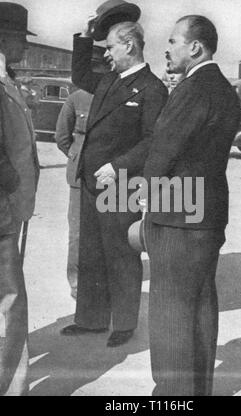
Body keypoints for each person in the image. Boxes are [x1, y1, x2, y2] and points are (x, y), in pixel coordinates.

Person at [142, 15, 241, 395]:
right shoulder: (223, 89)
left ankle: (171, 396)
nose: (167, 49)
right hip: (207, 216)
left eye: (172, 41)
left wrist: (141, 201)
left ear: (195, 47)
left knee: (170, 311)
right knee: (199, 306)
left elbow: (162, 152)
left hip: (177, 218)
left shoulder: (192, 88)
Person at [60, 16, 168, 348]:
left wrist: (118, 165)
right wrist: (88, 35)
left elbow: (153, 140)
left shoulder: (152, 88)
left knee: (121, 253)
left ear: (130, 45)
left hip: (122, 184)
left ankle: (123, 324)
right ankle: (90, 319)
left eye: (110, 47)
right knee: (91, 253)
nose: (106, 54)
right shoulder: (109, 81)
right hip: (92, 181)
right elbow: (79, 75)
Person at [0, 3, 39, 395]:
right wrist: (11, 187)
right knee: (11, 302)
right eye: (19, 39)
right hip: (2, 211)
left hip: (11, 208)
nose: (24, 48)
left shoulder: (6, 78)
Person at [55, 89, 93, 300]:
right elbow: (62, 137)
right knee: (78, 233)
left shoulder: (118, 93)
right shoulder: (76, 98)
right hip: (80, 178)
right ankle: (77, 284)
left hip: (111, 177)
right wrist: (76, 157)